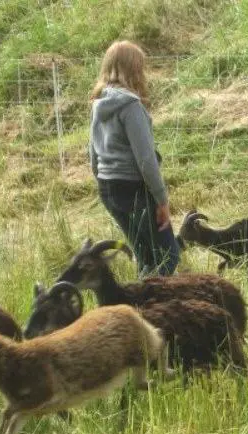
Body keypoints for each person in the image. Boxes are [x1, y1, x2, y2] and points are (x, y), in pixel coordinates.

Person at [88, 40, 179, 276]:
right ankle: (155, 308)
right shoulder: (131, 107)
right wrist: (161, 199)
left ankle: (138, 306)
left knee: (146, 258)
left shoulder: (98, 105)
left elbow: (93, 155)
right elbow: (146, 160)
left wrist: (104, 183)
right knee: (168, 255)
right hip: (135, 190)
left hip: (108, 189)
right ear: (134, 69)